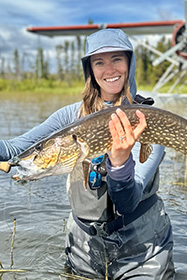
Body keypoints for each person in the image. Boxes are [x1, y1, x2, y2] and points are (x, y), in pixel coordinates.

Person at [0, 29, 175, 279]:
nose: (109, 69)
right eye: (99, 62)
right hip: (83, 248)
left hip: (143, 249)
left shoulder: (145, 120)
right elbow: (14, 149)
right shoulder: (69, 117)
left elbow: (128, 202)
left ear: (130, 63)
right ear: (90, 70)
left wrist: (120, 163)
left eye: (117, 59)